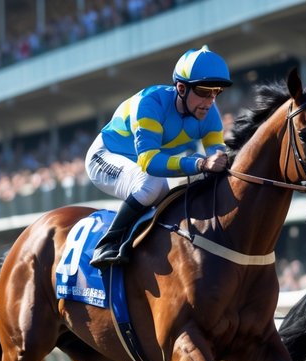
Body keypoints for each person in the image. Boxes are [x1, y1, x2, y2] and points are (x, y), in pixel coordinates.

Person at [85, 45, 233, 266]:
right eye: (203, 91)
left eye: (216, 92)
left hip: (142, 164)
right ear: (181, 88)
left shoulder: (209, 113)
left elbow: (218, 157)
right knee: (152, 185)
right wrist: (201, 163)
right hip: (106, 155)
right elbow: (150, 162)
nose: (210, 101)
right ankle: (108, 244)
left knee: (168, 193)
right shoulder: (150, 104)